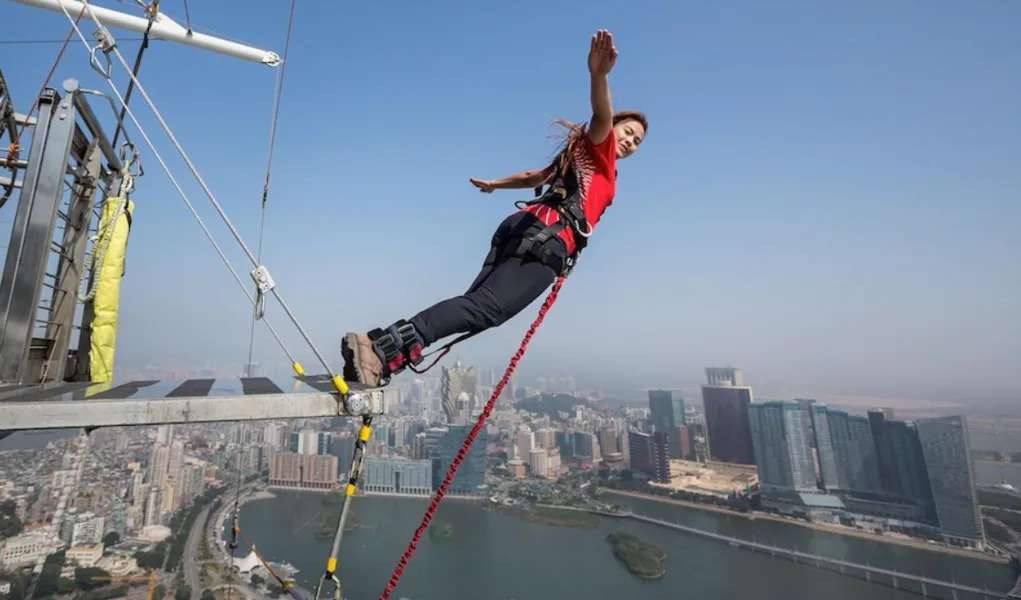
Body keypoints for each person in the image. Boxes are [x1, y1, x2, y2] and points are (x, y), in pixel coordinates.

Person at [342, 29, 647, 387]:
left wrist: (495, 184)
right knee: (487, 308)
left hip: (522, 229)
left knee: (476, 305)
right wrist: (599, 77)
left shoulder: (577, 156)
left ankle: (384, 355)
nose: (628, 141)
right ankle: (378, 349)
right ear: (614, 128)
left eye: (637, 141)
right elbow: (600, 116)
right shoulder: (602, 154)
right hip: (545, 242)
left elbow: (534, 175)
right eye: (627, 132)